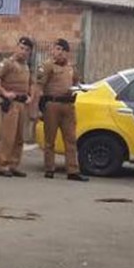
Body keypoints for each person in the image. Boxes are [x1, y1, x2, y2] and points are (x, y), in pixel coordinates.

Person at [35, 39, 90, 181]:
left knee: (71, 139)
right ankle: (49, 169)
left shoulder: (71, 67)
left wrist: (80, 87)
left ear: (67, 53)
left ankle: (72, 170)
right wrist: (38, 107)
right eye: (56, 49)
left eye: (61, 50)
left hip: (68, 106)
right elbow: (39, 87)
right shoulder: (47, 66)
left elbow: (77, 81)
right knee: (50, 139)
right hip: (52, 105)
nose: (58, 52)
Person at [0, 37, 35, 177]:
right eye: (21, 48)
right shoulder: (7, 63)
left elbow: (30, 83)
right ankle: (1, 165)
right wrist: (5, 93)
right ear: (16, 47)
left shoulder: (26, 66)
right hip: (10, 103)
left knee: (19, 137)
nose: (23, 52)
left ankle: (13, 164)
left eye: (27, 50)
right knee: (8, 136)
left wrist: (30, 96)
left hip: (22, 103)